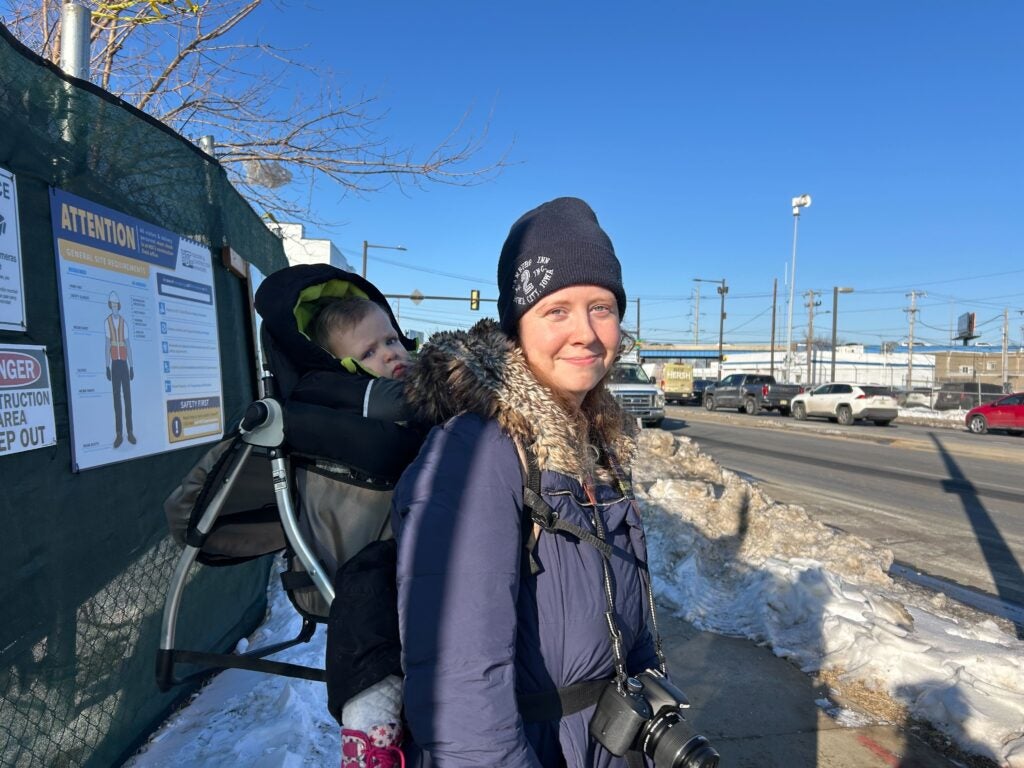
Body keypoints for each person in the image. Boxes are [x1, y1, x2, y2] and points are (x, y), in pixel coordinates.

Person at [392, 197, 664, 767]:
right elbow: (458, 686)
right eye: (556, 310)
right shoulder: (481, 448)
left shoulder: (596, 438)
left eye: (602, 307)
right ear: (517, 324)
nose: (587, 333)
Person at [303, 295, 413, 768]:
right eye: (368, 353)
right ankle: (369, 735)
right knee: (368, 590)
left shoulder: (431, 383)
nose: (389, 353)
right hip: (371, 556)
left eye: (391, 339)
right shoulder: (346, 406)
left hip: (436, 541)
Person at [104, 290, 135, 447]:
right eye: (112, 305)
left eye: (116, 304)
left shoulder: (124, 322)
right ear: (110, 306)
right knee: (117, 400)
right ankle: (119, 434)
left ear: (119, 305)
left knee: (127, 398)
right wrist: (107, 366)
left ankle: (130, 432)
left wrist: (132, 365)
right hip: (115, 364)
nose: (114, 307)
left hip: (123, 363)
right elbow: (107, 344)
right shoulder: (107, 322)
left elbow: (128, 345)